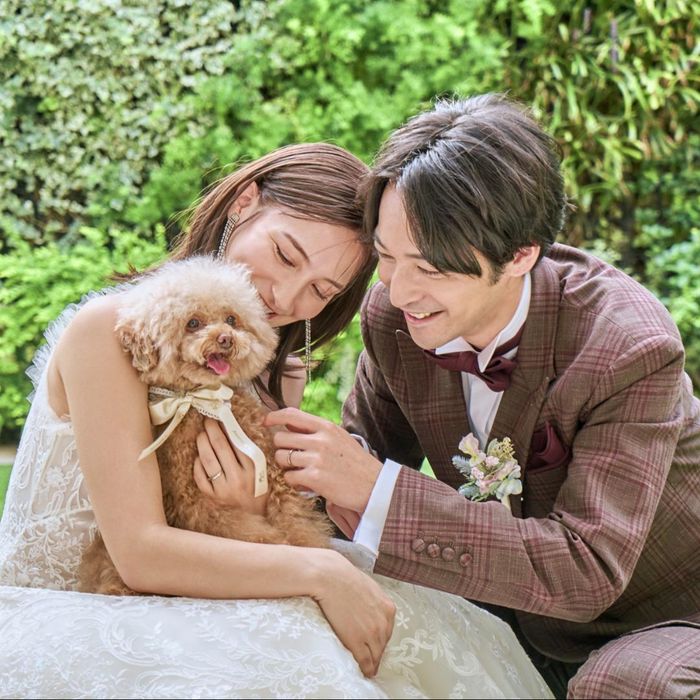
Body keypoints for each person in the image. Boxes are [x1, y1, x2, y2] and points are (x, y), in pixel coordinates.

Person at [0, 142, 552, 698]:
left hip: (209, 584)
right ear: (244, 201)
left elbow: (263, 518)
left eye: (321, 291)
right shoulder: (110, 331)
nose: (284, 298)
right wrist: (323, 573)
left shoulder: (270, 371)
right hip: (88, 607)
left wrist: (254, 512)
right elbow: (138, 552)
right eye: (286, 256)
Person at [263, 97, 700, 699]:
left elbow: (587, 570)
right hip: (506, 613)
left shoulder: (628, 346)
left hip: (671, 615)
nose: (399, 290)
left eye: (430, 269)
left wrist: (375, 489)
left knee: (622, 685)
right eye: (386, 256)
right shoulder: (393, 319)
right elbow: (357, 463)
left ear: (521, 254)